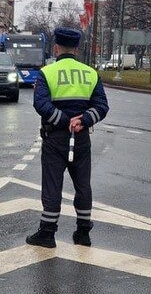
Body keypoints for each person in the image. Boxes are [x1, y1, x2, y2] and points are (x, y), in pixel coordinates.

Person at [26, 27, 109, 248]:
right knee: (83, 185)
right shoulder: (90, 73)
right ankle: (83, 233)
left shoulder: (47, 73)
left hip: (55, 138)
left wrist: (63, 120)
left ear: (56, 47)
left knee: (53, 185)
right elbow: (102, 106)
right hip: (81, 138)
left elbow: (40, 104)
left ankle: (47, 233)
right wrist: (83, 120)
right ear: (77, 48)